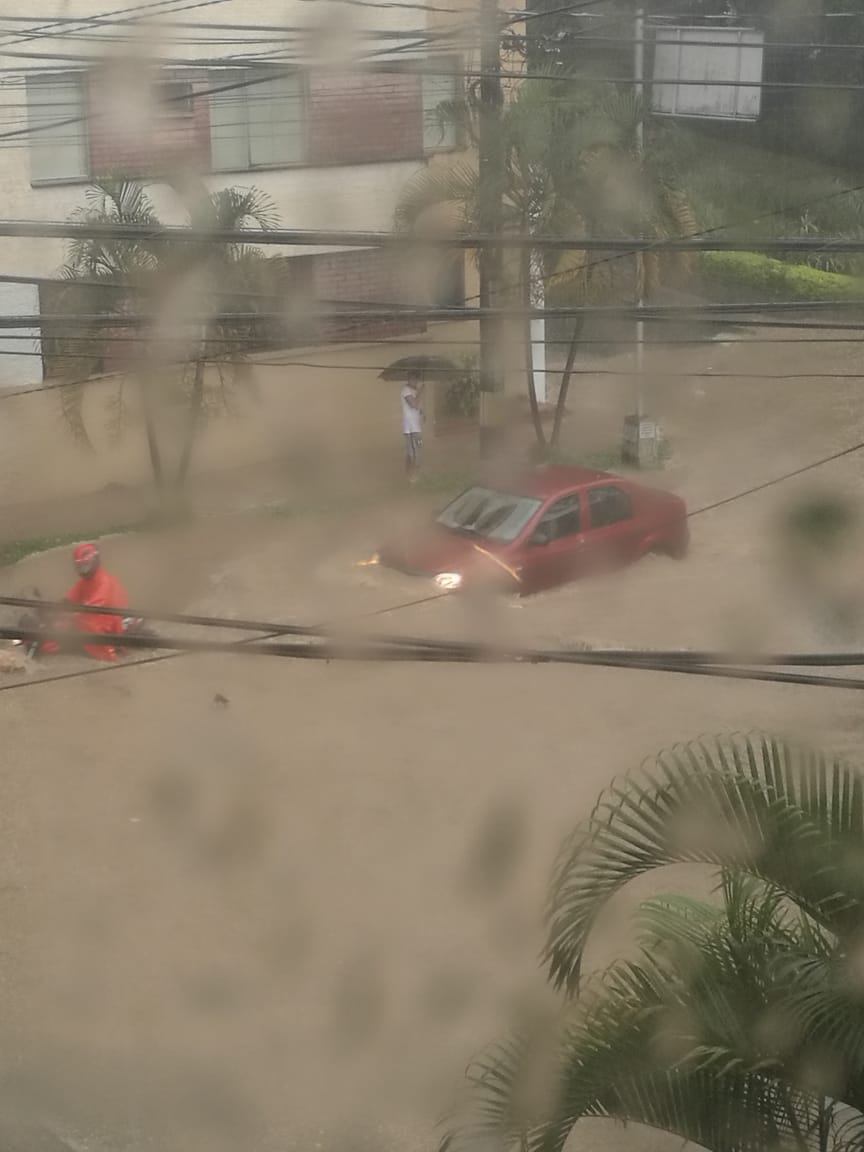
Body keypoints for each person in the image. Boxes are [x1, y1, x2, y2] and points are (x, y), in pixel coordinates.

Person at [56, 542, 129, 661]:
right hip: (95, 617)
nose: (83, 569)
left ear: (94, 561)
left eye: (85, 565)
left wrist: (69, 617)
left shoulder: (104, 582)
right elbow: (68, 600)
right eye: (80, 566)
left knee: (79, 628)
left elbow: (92, 608)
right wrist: (55, 610)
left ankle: (110, 655)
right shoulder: (83, 583)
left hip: (111, 623)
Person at [401, 373, 424, 481]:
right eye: (413, 379)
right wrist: (421, 392)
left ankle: (410, 473)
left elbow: (417, 407)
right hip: (410, 428)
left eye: (416, 379)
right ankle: (412, 476)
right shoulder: (406, 390)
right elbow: (413, 404)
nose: (415, 382)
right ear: (409, 379)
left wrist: (422, 412)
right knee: (413, 452)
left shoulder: (415, 391)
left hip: (416, 426)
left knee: (417, 448)